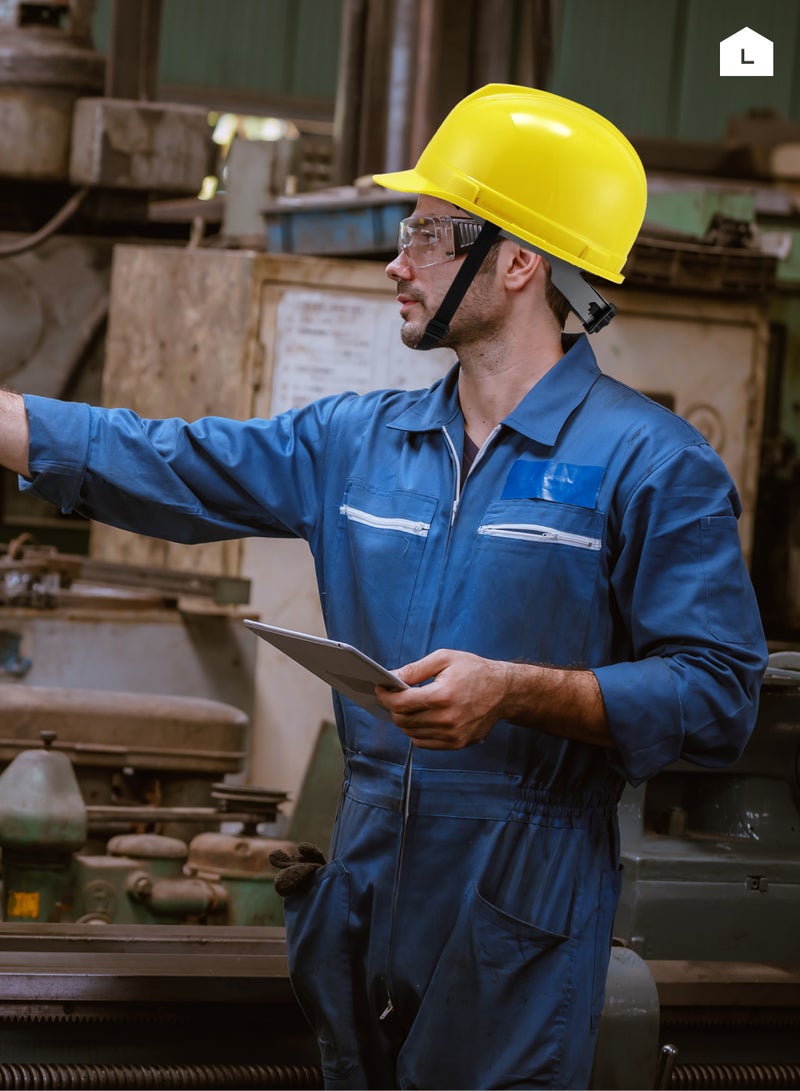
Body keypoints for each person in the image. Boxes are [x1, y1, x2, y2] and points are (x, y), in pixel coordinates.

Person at [0, 85, 766, 1089]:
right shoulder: (358, 442)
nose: (397, 262)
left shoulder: (653, 466)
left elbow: (717, 695)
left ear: (519, 261)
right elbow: (168, 460)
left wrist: (515, 687)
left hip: (518, 901)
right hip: (364, 882)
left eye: (429, 234)